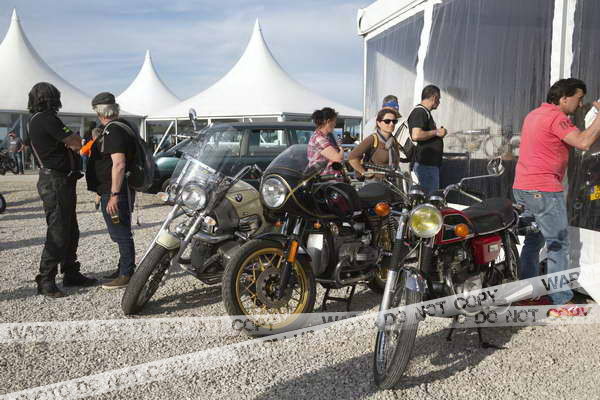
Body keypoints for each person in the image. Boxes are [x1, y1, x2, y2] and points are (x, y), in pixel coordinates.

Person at [513, 78, 600, 315]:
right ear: (563, 98)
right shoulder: (556, 118)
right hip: (543, 190)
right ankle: (561, 301)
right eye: (578, 99)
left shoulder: (533, 114)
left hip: (523, 186)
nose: (580, 104)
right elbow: (583, 142)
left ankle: (528, 295)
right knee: (558, 244)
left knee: (533, 242)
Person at [26, 82, 97, 297]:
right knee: (58, 230)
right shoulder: (47, 119)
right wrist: (79, 140)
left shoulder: (36, 120)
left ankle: (70, 271)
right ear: (52, 98)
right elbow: (75, 142)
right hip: (55, 180)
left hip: (58, 179)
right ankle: (46, 278)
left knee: (70, 228)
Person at [86, 92, 137, 289]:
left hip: (116, 191)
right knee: (119, 232)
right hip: (113, 190)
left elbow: (119, 164)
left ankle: (126, 274)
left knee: (121, 233)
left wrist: (114, 195)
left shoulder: (114, 131)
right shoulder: (120, 127)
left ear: (99, 111)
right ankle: (123, 268)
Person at [408, 85, 447, 194]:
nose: (439, 102)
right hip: (425, 166)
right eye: (439, 99)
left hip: (428, 166)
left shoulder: (425, 112)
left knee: (430, 197)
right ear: (434, 97)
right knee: (428, 198)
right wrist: (437, 132)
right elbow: (416, 135)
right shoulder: (420, 112)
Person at [348, 108, 401, 179]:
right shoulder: (372, 139)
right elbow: (352, 157)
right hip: (374, 182)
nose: (391, 124)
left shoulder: (393, 140)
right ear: (378, 123)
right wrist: (363, 172)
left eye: (394, 121)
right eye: (387, 121)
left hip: (391, 181)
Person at [307, 107, 343, 176]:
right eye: (334, 121)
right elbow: (338, 158)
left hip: (327, 177)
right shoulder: (319, 139)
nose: (335, 124)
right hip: (324, 179)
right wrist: (341, 149)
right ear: (328, 121)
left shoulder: (322, 137)